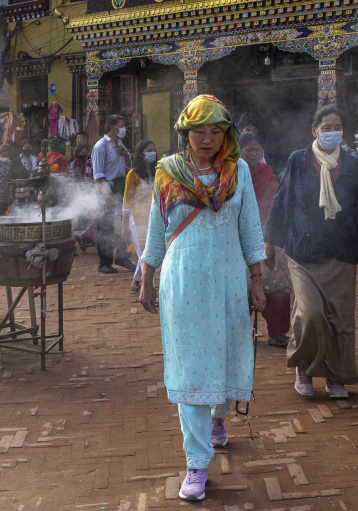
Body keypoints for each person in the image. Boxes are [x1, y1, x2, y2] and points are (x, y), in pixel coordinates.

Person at [138, 95, 266, 503]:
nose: (207, 139)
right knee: (190, 367)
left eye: (216, 131)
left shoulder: (239, 171)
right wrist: (147, 277)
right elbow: (158, 229)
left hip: (229, 280)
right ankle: (196, 462)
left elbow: (250, 227)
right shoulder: (167, 171)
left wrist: (257, 278)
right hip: (183, 281)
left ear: (226, 134)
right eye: (199, 131)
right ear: (185, 134)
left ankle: (218, 418)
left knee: (225, 355)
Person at [265, 105, 358, 399]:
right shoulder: (298, 160)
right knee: (310, 313)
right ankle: (304, 367)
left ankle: (337, 376)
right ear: (314, 130)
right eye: (325, 128)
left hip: (341, 251)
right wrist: (270, 241)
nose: (331, 133)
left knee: (340, 318)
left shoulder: (350, 163)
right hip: (303, 251)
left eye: (336, 127)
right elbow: (281, 200)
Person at [240, 132, 291, 347]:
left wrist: (272, 238)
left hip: (266, 236)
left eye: (257, 149)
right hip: (239, 237)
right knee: (241, 287)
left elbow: (276, 206)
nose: (254, 153)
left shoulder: (266, 171)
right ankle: (240, 334)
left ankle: (277, 333)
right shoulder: (232, 174)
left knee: (277, 286)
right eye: (249, 149)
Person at [91, 115, 134, 274]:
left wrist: (124, 153)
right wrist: (108, 194)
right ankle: (104, 262)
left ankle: (123, 257)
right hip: (106, 187)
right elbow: (98, 176)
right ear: (112, 127)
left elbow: (130, 165)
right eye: (121, 125)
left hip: (121, 184)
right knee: (105, 226)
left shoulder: (120, 143)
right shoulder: (100, 146)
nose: (124, 129)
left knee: (127, 223)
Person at [122, 140, 157, 292]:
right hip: (137, 219)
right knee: (145, 255)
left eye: (154, 150)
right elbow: (127, 200)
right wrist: (124, 225)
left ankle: (136, 282)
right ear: (142, 154)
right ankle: (149, 289)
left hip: (154, 218)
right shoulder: (133, 174)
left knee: (148, 253)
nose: (153, 153)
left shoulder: (158, 172)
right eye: (150, 150)